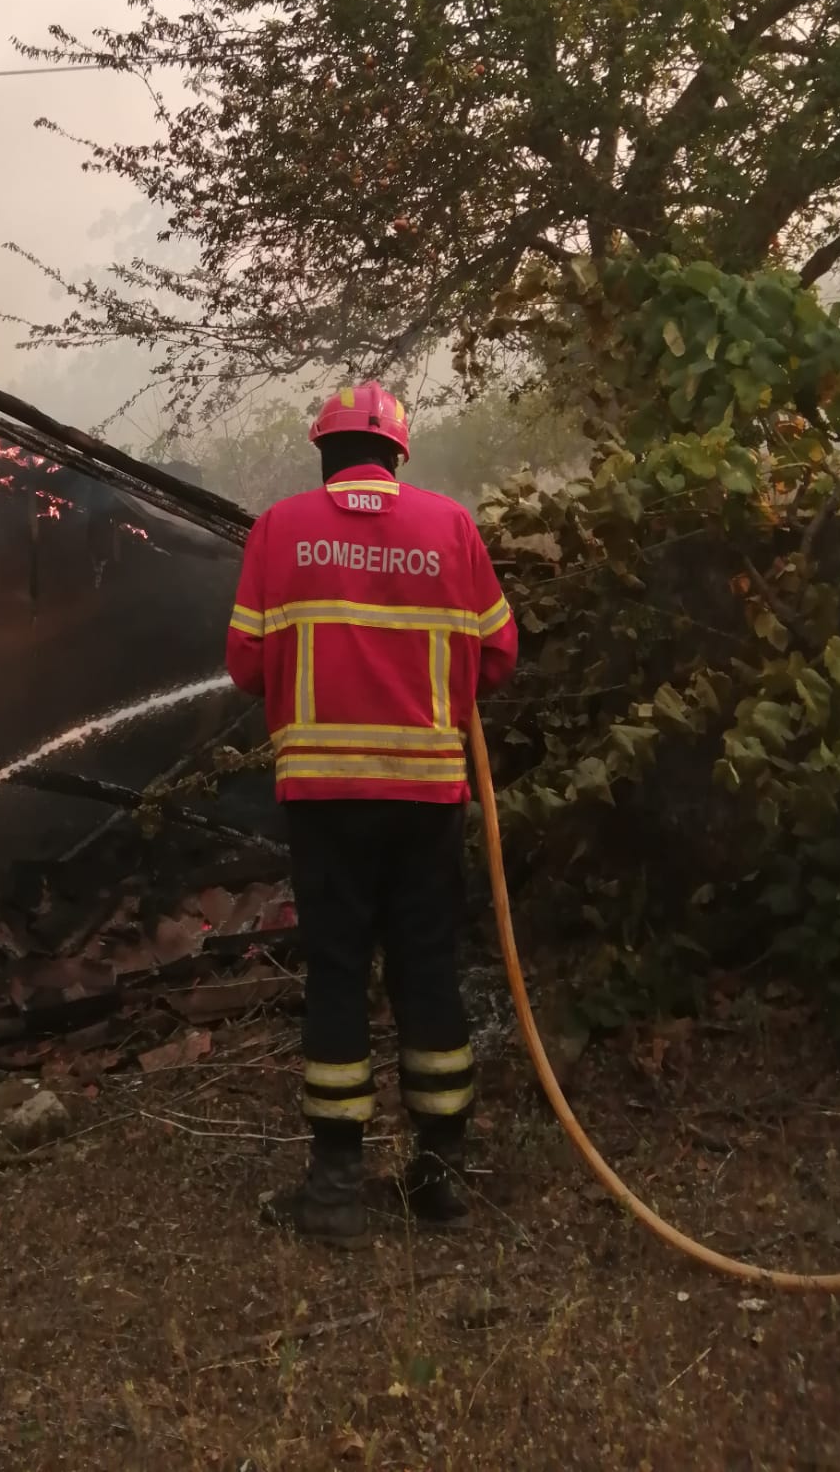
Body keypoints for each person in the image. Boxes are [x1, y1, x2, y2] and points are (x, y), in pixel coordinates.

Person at [225, 382, 517, 1248]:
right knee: (427, 971)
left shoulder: (279, 530)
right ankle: (441, 1178)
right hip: (428, 797)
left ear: (324, 453)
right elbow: (499, 653)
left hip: (325, 800)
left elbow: (245, 665)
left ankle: (336, 1189)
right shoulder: (451, 527)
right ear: (397, 453)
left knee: (338, 975)